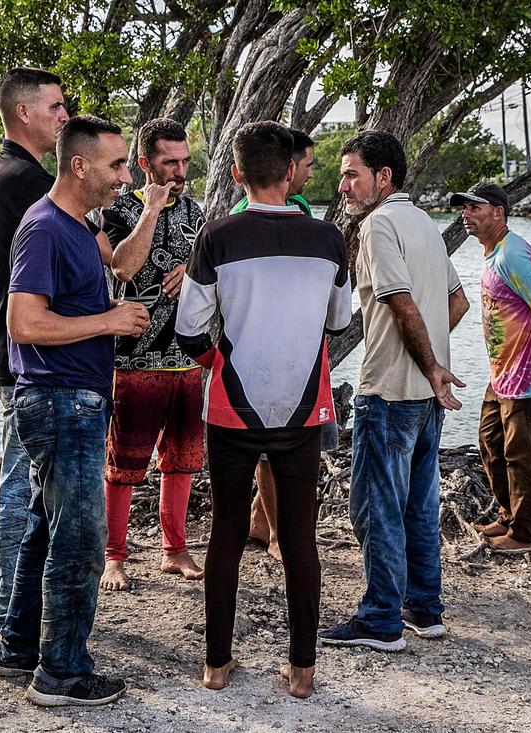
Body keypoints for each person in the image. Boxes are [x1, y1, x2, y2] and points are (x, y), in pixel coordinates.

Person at [175, 121, 351, 698]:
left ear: (236, 174)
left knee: (226, 531)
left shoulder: (217, 237)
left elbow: (189, 331)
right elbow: (339, 322)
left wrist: (216, 363)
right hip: (302, 407)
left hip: (233, 407)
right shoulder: (330, 240)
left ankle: (216, 666)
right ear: (293, 171)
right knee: (299, 537)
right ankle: (302, 672)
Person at [0, 116, 149, 707]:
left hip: (72, 399)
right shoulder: (46, 227)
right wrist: (109, 320)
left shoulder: (80, 228)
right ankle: (61, 674)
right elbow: (23, 323)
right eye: (116, 166)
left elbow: (116, 272)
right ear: (79, 165)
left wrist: (111, 315)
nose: (124, 177)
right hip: (59, 401)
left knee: (41, 528)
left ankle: (17, 649)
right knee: (80, 538)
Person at [319, 130, 469, 652]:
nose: (343, 185)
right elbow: (457, 301)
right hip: (426, 395)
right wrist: (435, 364)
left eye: (352, 173)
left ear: (384, 177)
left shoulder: (379, 223)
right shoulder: (424, 222)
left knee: (374, 504)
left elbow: (401, 300)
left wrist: (425, 363)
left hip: (390, 388)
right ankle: (424, 608)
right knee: (418, 504)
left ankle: (382, 618)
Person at [0, 67, 113, 636]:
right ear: (24, 114)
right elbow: (108, 256)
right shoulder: (26, 183)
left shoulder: (15, 175)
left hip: (24, 357)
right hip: (34, 364)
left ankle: (18, 618)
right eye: (56, 107)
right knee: (25, 494)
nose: (64, 116)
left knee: (32, 495)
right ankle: (13, 613)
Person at [98, 117, 207, 591]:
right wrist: (151, 210)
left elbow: (211, 273)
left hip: (186, 358)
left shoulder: (196, 211)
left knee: (181, 460)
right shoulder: (118, 207)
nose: (180, 172)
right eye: (170, 163)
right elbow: (123, 267)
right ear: (145, 164)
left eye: (185, 161)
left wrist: (189, 270)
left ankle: (173, 548)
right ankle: (114, 555)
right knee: (123, 463)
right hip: (132, 358)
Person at [450, 182, 531, 552]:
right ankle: (508, 515)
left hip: (526, 372)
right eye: (465, 208)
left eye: (475, 208)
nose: (466, 214)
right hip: (502, 371)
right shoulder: (495, 253)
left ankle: (523, 533)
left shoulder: (514, 255)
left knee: (520, 452)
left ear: (498, 212)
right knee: (490, 442)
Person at [229, 128, 328, 562]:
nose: (309, 173)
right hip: (264, 361)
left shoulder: (303, 212)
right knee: (270, 453)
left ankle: (262, 521)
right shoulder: (240, 219)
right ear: (288, 169)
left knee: (298, 450)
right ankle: (275, 534)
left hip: (302, 358)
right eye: (306, 165)